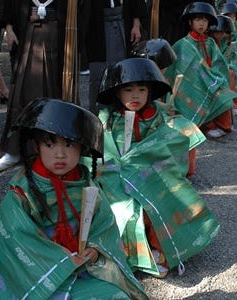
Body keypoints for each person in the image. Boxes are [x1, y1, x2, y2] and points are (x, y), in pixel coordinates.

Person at [0, 98, 148, 299]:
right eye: (50, 144)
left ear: (82, 148)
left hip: (83, 267)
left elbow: (104, 224)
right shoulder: (23, 190)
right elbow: (14, 237)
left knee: (117, 295)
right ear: (37, 147)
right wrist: (61, 260)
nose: (60, 154)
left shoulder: (86, 182)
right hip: (41, 272)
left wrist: (95, 250)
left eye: (69, 145)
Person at [94, 57, 221, 278]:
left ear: (150, 92)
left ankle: (161, 248)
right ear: (116, 92)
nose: (135, 96)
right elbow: (98, 152)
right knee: (126, 209)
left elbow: (169, 145)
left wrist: (143, 157)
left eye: (142, 89)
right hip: (115, 175)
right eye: (128, 89)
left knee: (165, 202)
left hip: (153, 173)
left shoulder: (158, 116)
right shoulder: (106, 119)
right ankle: (132, 254)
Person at [0, 0, 81, 172]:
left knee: (55, 94)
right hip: (28, 34)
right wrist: (9, 27)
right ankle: (14, 150)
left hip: (59, 37)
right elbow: (10, 7)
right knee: (22, 91)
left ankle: (54, 150)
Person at [131, 38, 207, 176]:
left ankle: (186, 169)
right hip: (143, 120)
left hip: (158, 115)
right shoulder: (138, 80)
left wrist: (168, 109)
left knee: (187, 127)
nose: (163, 70)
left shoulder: (161, 77)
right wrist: (162, 107)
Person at [165, 2, 237, 139]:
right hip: (188, 82)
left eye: (205, 20)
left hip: (209, 78)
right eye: (198, 19)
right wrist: (204, 76)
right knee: (202, 90)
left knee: (223, 91)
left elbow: (219, 63)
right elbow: (176, 68)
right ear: (190, 22)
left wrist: (214, 76)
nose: (202, 24)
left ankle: (220, 125)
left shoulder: (210, 42)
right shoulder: (183, 44)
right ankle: (208, 126)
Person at [81, 0, 148, 114]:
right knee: (99, 75)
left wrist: (136, 25)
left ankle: (121, 114)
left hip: (123, 24)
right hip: (96, 29)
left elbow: (137, 4)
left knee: (123, 72)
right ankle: (98, 116)